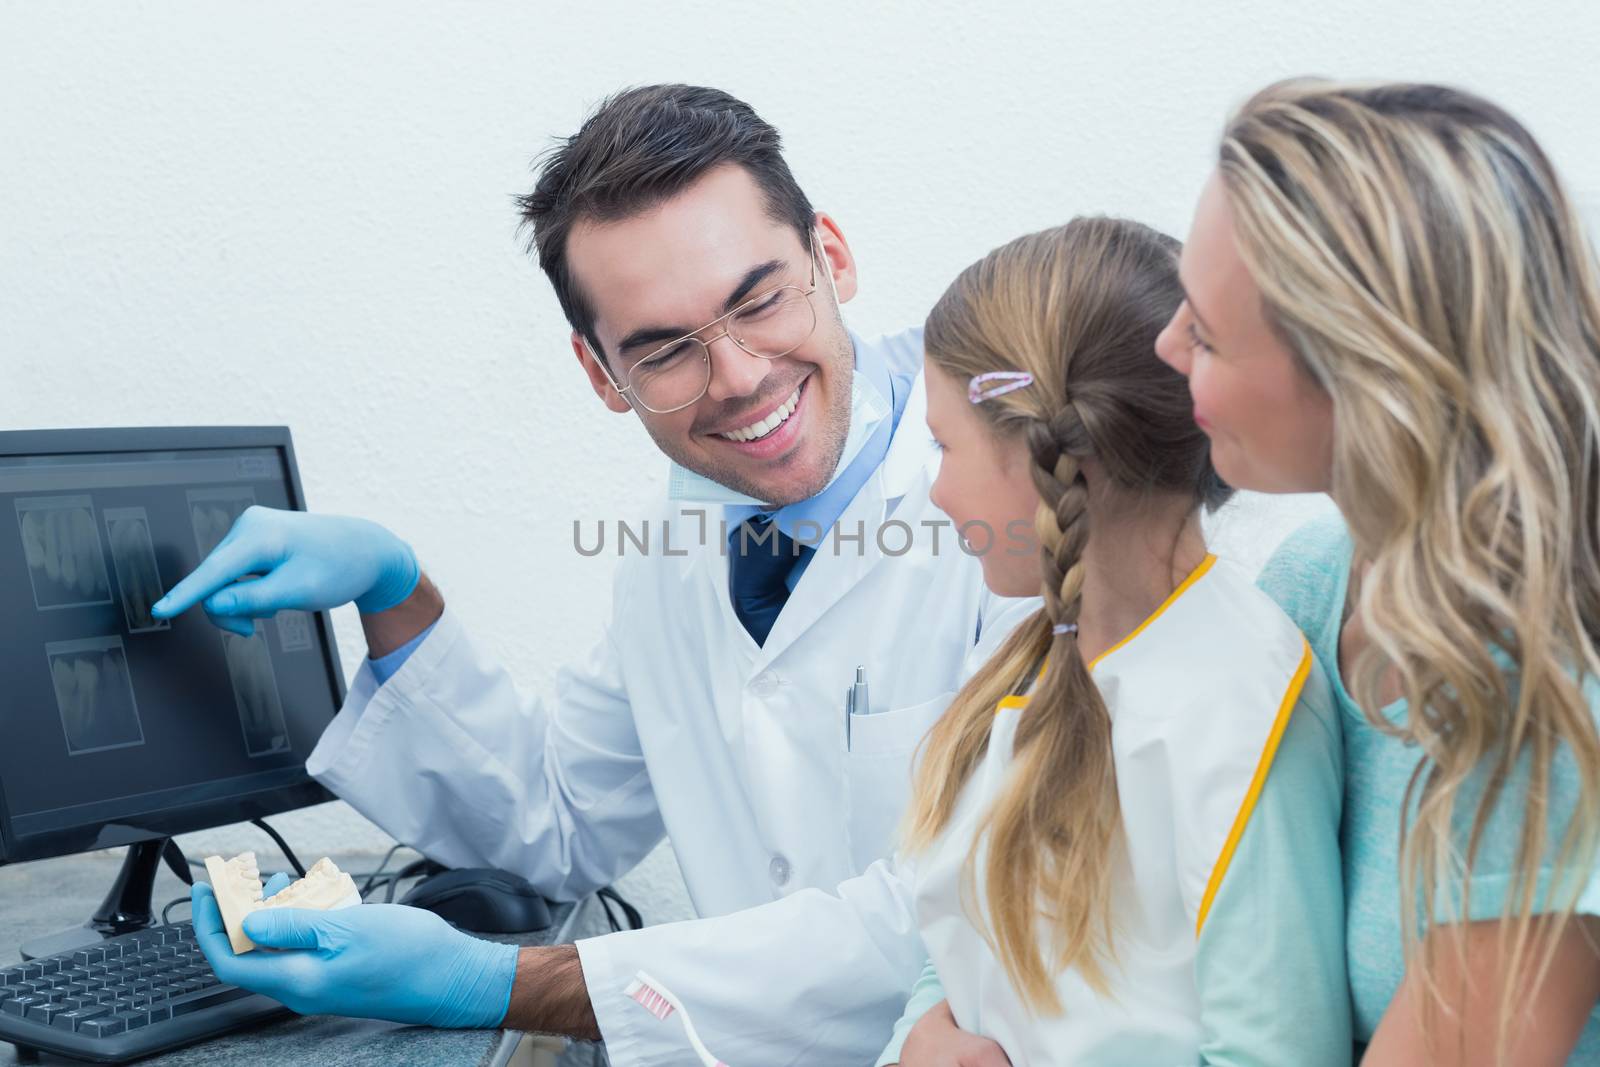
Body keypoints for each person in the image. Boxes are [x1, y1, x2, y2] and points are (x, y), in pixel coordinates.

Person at [166, 85, 1032, 1063]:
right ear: (599, 372)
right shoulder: (691, 540)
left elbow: (952, 926)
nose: (739, 376)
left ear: (830, 255)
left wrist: (499, 984)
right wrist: (395, 593)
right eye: (665, 350)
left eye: (759, 299)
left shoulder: (1022, 515)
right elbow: (561, 819)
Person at [1155, 79, 1600, 1064]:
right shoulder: (1309, 586)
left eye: (1207, 332)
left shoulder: (1542, 697)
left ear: (1364, 381)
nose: (1165, 344)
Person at [875, 220, 1350, 1066]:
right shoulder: (1032, 655)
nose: (936, 492)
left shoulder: (1240, 707)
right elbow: (965, 929)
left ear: (1057, 458)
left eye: (945, 447)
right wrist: (920, 1035)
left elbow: (1274, 1050)